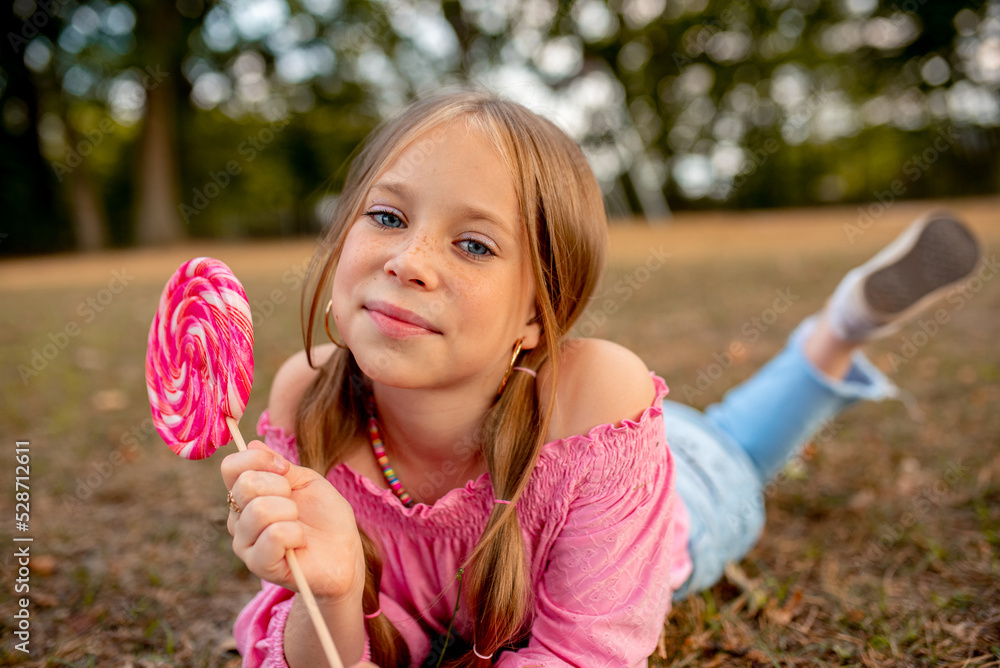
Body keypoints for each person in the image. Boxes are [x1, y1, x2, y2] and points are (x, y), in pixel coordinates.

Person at [221, 90, 983, 668]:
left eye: (475, 245)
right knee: (723, 428)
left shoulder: (603, 393)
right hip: (575, 443)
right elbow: (322, 647)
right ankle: (842, 325)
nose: (408, 261)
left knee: (734, 453)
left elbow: (585, 655)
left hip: (635, 467)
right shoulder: (309, 401)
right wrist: (331, 595)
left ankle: (840, 330)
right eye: (387, 217)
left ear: (536, 316)